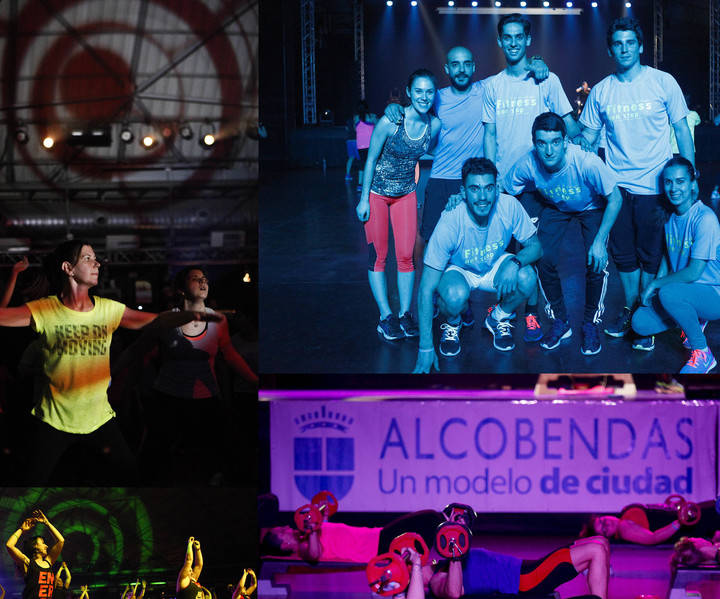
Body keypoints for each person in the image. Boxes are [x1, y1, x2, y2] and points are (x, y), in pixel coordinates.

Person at [0, 240, 221, 484]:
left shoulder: (108, 310)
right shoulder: (45, 309)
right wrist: (13, 276)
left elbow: (155, 320)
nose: (97, 263)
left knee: (131, 478)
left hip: (100, 420)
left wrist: (192, 315)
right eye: (87, 258)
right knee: (29, 486)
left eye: (96, 258)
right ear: (68, 268)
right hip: (54, 421)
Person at [579, 17, 695, 351]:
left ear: (641, 46)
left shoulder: (662, 82)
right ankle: (633, 311)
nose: (625, 48)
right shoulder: (601, 91)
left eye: (631, 42)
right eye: (618, 43)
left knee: (650, 257)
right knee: (624, 258)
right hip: (617, 190)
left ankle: (647, 313)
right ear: (610, 49)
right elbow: (586, 137)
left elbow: (682, 129)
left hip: (655, 188)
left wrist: (689, 177)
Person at [483, 13, 587, 342]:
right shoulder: (492, 86)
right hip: (505, 185)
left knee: (536, 251)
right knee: (510, 252)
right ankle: (508, 308)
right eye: (507, 37)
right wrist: (491, 178)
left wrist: (585, 143)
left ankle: (531, 313)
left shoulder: (547, 79)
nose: (513, 42)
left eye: (519, 36)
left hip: (539, 185)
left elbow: (568, 124)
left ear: (529, 40)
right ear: (500, 42)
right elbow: (490, 135)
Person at [501, 112, 622, 354]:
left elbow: (615, 199)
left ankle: (590, 324)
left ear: (565, 141)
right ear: (534, 143)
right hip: (557, 207)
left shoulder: (586, 162)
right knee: (543, 257)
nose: (548, 151)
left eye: (555, 142)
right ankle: (560, 320)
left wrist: (599, 242)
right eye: (542, 143)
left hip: (592, 207)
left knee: (596, 261)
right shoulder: (528, 163)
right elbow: (505, 191)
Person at [413, 158, 542, 372]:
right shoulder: (451, 220)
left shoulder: (508, 206)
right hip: (460, 270)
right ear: (463, 192)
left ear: (496, 189)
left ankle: (498, 316)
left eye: (488, 188)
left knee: (527, 277)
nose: (482, 197)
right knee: (454, 297)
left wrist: (515, 262)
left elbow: (536, 247)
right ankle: (454, 322)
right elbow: (426, 289)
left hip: (494, 266)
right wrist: (425, 347)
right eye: (474, 189)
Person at [356, 69, 441, 340]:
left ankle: (405, 314)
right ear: (408, 92)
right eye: (419, 91)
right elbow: (370, 160)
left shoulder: (434, 126)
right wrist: (362, 199)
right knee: (379, 256)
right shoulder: (389, 122)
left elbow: (426, 154)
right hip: (377, 194)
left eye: (429, 92)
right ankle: (386, 316)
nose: (424, 97)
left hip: (406, 194)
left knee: (406, 256)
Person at [632, 157, 720, 373]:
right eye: (668, 182)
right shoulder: (669, 216)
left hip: (713, 294)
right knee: (640, 322)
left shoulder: (704, 218)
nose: (674, 188)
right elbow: (667, 258)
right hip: (686, 291)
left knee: (669, 293)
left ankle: (703, 353)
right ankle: (691, 319)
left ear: (692, 184)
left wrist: (655, 285)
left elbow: (694, 271)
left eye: (680, 181)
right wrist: (652, 289)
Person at [259, 493, 443, 563]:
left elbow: (329, 533)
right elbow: (315, 554)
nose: (285, 527)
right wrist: (314, 530)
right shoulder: (304, 547)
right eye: (282, 532)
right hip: (378, 547)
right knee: (428, 517)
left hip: (377, 536)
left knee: (426, 522)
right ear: (284, 545)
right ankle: (447, 527)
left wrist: (322, 517)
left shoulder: (311, 533)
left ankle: (444, 530)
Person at [429, 536, 609, 599]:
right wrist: (454, 556)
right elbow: (453, 593)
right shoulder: (436, 580)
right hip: (525, 579)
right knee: (596, 550)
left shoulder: (441, 564)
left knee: (599, 541)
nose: (422, 562)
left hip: (526, 567)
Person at [5, 510, 65, 599]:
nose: (46, 546)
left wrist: (47, 523)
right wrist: (21, 529)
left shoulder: (48, 562)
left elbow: (61, 541)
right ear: (35, 546)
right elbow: (9, 545)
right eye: (43, 543)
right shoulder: (28, 563)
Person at [354, 100, 378, 188]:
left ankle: (360, 184)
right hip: (371, 145)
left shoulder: (356, 118)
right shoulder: (372, 117)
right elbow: (378, 126)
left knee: (362, 164)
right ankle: (372, 183)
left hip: (360, 145)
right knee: (371, 163)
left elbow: (355, 129)